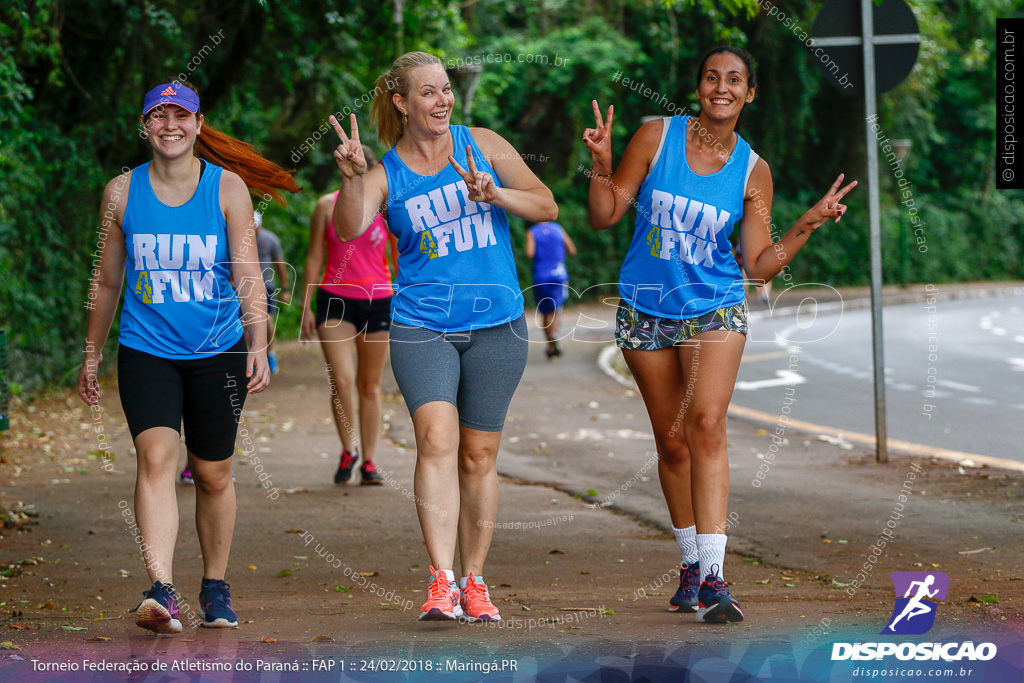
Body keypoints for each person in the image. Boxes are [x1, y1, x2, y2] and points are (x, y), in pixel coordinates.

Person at [584, 46, 856, 623]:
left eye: (735, 80)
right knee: (672, 440)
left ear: (749, 93)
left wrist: (808, 221)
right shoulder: (655, 138)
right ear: (699, 87)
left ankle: (713, 576)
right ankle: (688, 565)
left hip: (715, 307)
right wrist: (603, 162)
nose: (722, 88)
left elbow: (757, 266)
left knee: (705, 423)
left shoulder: (754, 171)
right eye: (712, 78)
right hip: (645, 307)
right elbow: (604, 215)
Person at [329, 51, 557, 622]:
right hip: (422, 324)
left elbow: (547, 205)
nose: (442, 99)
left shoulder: (482, 143)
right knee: (435, 439)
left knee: (479, 455)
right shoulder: (386, 172)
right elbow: (350, 227)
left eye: (446, 89)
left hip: (498, 324)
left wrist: (495, 193)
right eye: (427, 92)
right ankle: (441, 580)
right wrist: (353, 179)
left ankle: (475, 580)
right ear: (402, 103)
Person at [78, 80, 298, 633]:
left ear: (199, 125)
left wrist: (258, 344)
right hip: (146, 347)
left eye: (181, 115)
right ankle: (161, 589)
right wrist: (90, 353)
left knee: (212, 473)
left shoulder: (228, 189)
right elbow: (107, 280)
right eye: (158, 115)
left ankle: (216, 586)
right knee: (155, 459)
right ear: (144, 125)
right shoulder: (121, 192)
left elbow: (248, 273)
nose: (169, 125)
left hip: (218, 349)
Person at [300, 145, 398, 486]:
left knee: (369, 386)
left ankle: (370, 460)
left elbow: (399, 259)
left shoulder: (385, 210)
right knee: (341, 380)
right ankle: (348, 449)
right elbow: (314, 256)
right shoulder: (326, 206)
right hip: (334, 300)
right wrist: (306, 306)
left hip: (378, 299)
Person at [525, 221, 577, 359]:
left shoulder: (532, 231)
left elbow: (529, 253)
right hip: (558, 274)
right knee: (556, 308)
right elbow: (571, 249)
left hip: (540, 276)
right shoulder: (558, 228)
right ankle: (554, 333)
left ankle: (550, 346)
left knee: (545, 311)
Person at [256, 211, 290, 373]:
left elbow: (280, 264)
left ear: (260, 225)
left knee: (267, 319)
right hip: (244, 286)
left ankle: (270, 354)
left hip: (266, 285)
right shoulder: (240, 237)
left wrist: (285, 289)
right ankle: (253, 355)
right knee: (244, 322)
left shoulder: (270, 239)